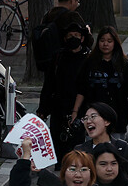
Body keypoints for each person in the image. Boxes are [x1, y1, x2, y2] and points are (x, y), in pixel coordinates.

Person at [71, 25, 128, 135]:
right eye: (102, 40)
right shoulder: (89, 63)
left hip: (118, 117)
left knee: (116, 148)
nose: (105, 44)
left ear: (115, 43)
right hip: (93, 117)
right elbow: (82, 89)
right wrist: (75, 112)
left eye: (109, 41)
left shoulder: (124, 65)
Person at [38, 18, 92, 153]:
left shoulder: (88, 58)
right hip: (59, 109)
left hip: (81, 110)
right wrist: (43, 109)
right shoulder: (58, 57)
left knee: (78, 150)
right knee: (59, 148)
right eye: (70, 36)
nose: (73, 38)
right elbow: (49, 84)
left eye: (76, 36)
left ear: (82, 38)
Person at [81, 103, 128, 186]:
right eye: (85, 118)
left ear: (107, 121)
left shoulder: (124, 149)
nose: (88, 121)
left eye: (93, 117)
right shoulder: (80, 151)